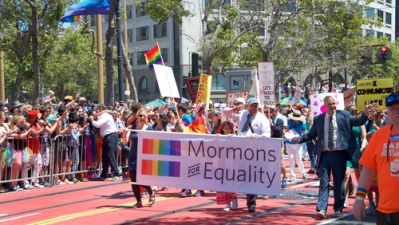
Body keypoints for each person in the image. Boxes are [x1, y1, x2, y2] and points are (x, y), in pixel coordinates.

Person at [292, 95, 372, 219]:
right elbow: (311, 135)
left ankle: (338, 208)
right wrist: (300, 139)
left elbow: (358, 121)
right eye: (330, 104)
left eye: (334, 103)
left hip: (339, 155)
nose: (332, 106)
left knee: (339, 182)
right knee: (323, 183)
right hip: (324, 155)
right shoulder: (319, 119)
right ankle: (321, 209)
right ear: (325, 106)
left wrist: (365, 113)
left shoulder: (344, 115)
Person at [353, 92, 399, 224]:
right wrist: (359, 199)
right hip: (385, 211)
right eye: (393, 109)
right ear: (387, 111)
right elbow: (368, 169)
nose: (397, 112)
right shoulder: (379, 136)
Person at [238, 97, 271, 213]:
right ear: (247, 106)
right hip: (243, 150)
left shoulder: (262, 119)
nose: (254, 107)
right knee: (246, 176)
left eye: (255, 105)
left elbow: (267, 135)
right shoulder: (243, 115)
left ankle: (251, 202)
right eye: (252, 105)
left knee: (253, 176)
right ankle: (250, 197)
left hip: (256, 152)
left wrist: (257, 137)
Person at [128, 108, 155, 208]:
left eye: (144, 115)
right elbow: (129, 141)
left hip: (144, 156)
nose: (142, 117)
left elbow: (152, 143)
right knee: (134, 180)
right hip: (133, 155)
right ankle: (138, 201)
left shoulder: (149, 128)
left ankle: (150, 192)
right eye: (140, 115)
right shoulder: (133, 127)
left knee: (141, 180)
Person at [90, 104, 121, 181]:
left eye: (97, 109)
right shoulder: (103, 116)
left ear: (100, 109)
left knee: (110, 155)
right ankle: (104, 175)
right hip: (107, 137)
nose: (95, 111)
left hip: (111, 136)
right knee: (104, 156)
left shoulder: (105, 115)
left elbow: (98, 125)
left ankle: (116, 174)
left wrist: (91, 120)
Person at [285, 110, 307, 183]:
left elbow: (305, 133)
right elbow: (286, 130)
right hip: (289, 143)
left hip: (298, 144)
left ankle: (303, 173)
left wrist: (303, 136)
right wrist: (287, 133)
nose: (295, 120)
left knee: (298, 159)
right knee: (291, 159)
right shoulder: (289, 122)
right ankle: (293, 176)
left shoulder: (302, 124)